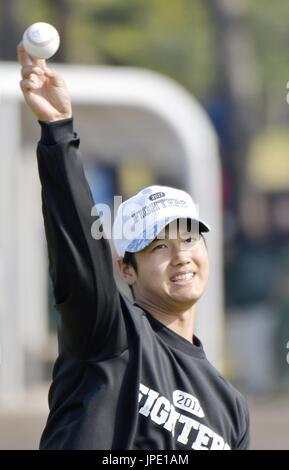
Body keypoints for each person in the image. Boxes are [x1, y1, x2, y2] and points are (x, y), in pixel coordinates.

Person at [18, 43, 250, 451]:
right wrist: (57, 130)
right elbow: (78, 242)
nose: (181, 254)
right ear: (126, 269)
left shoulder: (230, 409)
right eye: (158, 245)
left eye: (189, 237)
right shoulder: (111, 332)